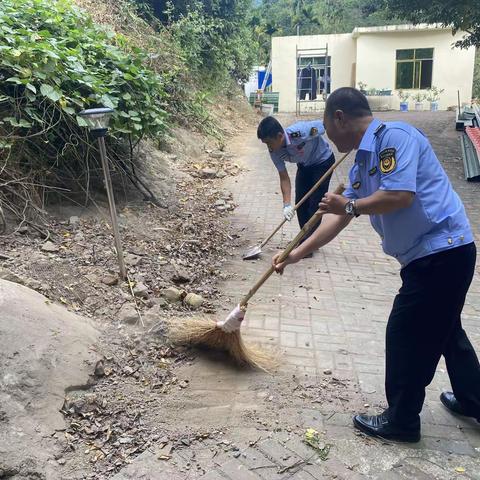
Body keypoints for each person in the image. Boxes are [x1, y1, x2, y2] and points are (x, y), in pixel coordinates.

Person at [272, 87, 480, 442]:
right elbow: (338, 219)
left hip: (441, 254)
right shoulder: (362, 162)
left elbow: (399, 196)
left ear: (340, 117)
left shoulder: (394, 138)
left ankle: (401, 421)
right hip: (430, 257)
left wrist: (349, 206)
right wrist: (296, 253)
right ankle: (474, 399)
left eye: (328, 127)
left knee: (405, 334)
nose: (329, 137)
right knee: (445, 331)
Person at [257, 116, 335, 254]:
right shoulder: (274, 152)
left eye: (269, 142)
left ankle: (308, 245)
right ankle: (306, 239)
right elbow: (284, 178)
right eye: (265, 144)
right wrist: (286, 205)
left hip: (323, 162)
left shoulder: (301, 131)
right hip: (305, 166)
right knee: (300, 204)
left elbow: (326, 125)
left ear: (280, 136)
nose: (268, 147)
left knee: (315, 205)